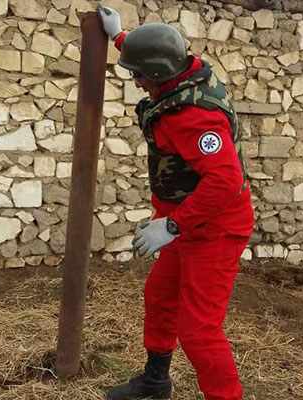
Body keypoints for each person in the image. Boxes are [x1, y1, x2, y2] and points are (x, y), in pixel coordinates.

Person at [98, 5, 255, 400]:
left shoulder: (195, 117)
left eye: (137, 74)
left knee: (199, 330)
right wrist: (122, 38)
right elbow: (157, 55)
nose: (135, 81)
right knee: (160, 296)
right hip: (185, 221)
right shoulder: (181, 70)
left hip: (216, 228)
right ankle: (155, 381)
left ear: (156, 74)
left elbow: (225, 181)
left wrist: (170, 226)